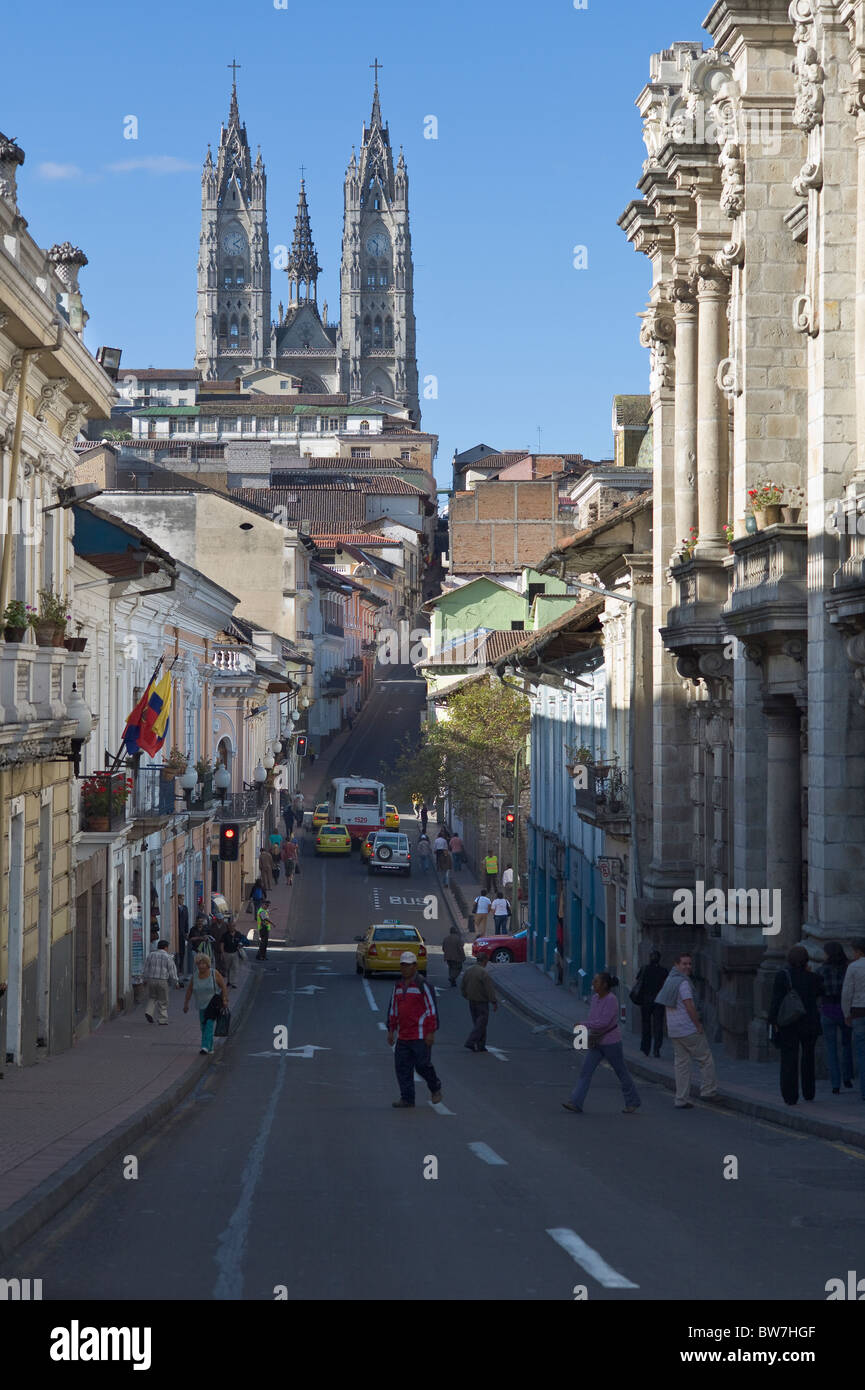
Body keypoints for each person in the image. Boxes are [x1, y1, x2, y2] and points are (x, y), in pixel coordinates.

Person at [563, 973, 641, 1114]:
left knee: (621, 1071)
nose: (593, 982)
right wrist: (588, 1028)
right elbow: (594, 1018)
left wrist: (584, 1025)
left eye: (596, 981)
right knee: (585, 1071)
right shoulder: (595, 998)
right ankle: (576, 1102)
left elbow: (604, 1022)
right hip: (596, 1041)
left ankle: (633, 1101)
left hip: (611, 1042)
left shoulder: (612, 1000)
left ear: (605, 984)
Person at [655, 952, 718, 1108]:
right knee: (706, 1059)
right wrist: (698, 1025)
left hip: (674, 1030)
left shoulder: (670, 980)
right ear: (676, 964)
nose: (688, 967)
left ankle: (681, 1099)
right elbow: (689, 1006)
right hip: (688, 1028)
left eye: (689, 964)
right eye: (684, 964)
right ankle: (708, 1091)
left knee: (681, 1065)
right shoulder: (683, 983)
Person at [386, 953, 443, 1107]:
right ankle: (407, 1098)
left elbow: (432, 1009)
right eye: (402, 965)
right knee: (402, 1068)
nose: (404, 968)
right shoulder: (398, 987)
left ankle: (435, 1087)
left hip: (420, 1035)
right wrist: (391, 1030)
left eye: (408, 965)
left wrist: (431, 1032)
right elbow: (393, 1009)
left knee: (422, 1065)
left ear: (415, 966)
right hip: (403, 1036)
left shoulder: (423, 985)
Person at [769, 945, 822, 1105]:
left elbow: (776, 1001)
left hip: (789, 1023)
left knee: (789, 1059)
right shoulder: (814, 978)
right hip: (809, 1022)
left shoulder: (783, 976)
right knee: (808, 1058)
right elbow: (820, 994)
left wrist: (773, 1021)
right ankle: (809, 1092)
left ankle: (790, 1096)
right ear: (806, 960)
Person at [818, 941, 853, 1094]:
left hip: (827, 1009)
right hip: (844, 1009)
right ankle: (847, 1077)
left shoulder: (821, 970)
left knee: (831, 1048)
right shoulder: (847, 969)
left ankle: (835, 1084)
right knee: (846, 1045)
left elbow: (818, 991)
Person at [183, 952, 228, 1055]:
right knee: (203, 1026)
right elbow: (189, 990)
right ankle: (210, 1047)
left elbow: (223, 986)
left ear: (208, 964)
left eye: (203, 963)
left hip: (212, 1004)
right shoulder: (195, 975)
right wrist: (186, 1003)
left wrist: (225, 999)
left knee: (209, 1025)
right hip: (201, 1004)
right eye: (199, 963)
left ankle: (204, 1047)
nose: (201, 966)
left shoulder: (214, 973)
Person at [632, 949, 668, 1058]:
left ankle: (645, 1048)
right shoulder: (663, 971)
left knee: (646, 1024)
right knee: (658, 1026)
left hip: (646, 1001)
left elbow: (638, 981)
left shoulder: (644, 969)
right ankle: (656, 1050)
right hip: (659, 1001)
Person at [461, 951, 498, 1051]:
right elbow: (489, 989)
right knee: (481, 1023)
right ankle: (471, 1041)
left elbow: (463, 985)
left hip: (471, 1000)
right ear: (485, 960)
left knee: (478, 1023)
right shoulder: (484, 973)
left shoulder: (469, 970)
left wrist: (466, 995)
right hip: (481, 1002)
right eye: (487, 961)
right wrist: (494, 1001)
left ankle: (481, 1045)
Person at [842, 937, 865, 1100]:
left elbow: (847, 993)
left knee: (862, 1052)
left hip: (858, 1012)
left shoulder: (853, 967)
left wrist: (846, 1013)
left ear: (858, 951)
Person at [143, 939, 179, 1025]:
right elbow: (172, 971)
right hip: (162, 980)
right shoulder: (168, 957)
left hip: (151, 979)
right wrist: (176, 982)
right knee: (163, 1000)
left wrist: (144, 978)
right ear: (166, 947)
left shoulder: (151, 955)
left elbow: (146, 968)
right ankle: (162, 1019)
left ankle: (149, 1011)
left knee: (152, 997)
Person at [220, 924, 245, 989]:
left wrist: (241, 944)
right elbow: (222, 944)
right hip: (227, 953)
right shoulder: (225, 935)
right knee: (227, 968)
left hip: (235, 953)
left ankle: (234, 983)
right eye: (229, 927)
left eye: (232, 927)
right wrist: (222, 953)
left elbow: (243, 941)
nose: (230, 928)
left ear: (234, 927)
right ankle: (229, 981)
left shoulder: (238, 934)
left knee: (235, 968)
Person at [175, 894, 190, 977]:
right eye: (181, 899)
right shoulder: (175, 908)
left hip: (182, 933)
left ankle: (181, 967)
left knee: (182, 951)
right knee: (178, 950)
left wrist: (186, 932)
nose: (182, 901)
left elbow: (186, 920)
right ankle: (178, 967)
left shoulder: (185, 908)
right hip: (177, 932)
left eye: (183, 899)